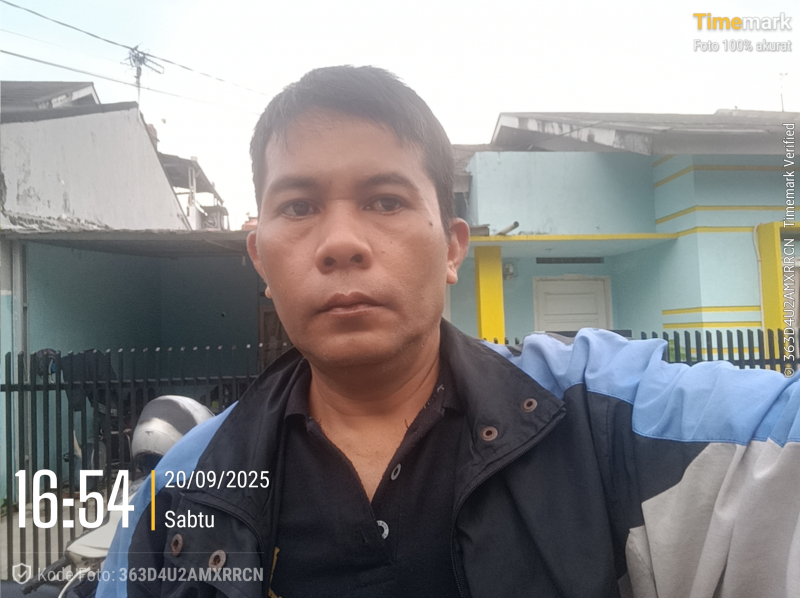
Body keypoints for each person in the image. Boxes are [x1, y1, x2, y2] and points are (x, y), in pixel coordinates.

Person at [98, 66, 800, 598]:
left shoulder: (601, 421)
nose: (340, 243)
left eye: (385, 200)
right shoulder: (185, 488)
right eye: (300, 206)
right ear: (260, 259)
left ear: (453, 248)